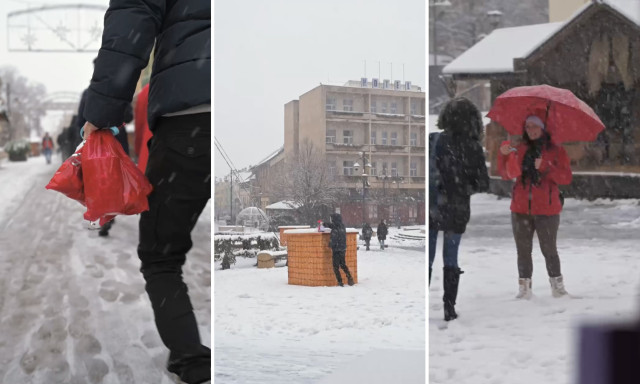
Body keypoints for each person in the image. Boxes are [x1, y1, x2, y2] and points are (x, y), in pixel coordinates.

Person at [80, 1, 211, 383]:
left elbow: (130, 29)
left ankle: (191, 360)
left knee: (161, 257)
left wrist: (100, 116)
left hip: (188, 121)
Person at [498, 115, 572, 300]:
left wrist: (545, 166)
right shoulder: (519, 148)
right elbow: (506, 174)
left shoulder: (556, 150)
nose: (531, 130)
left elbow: (566, 178)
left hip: (547, 209)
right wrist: (504, 155)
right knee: (523, 250)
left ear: (543, 128)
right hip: (520, 208)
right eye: (528, 126)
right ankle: (525, 288)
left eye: (535, 126)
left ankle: (558, 287)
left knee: (549, 250)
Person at [429, 97, 489, 321]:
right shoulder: (473, 147)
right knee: (450, 258)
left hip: (434, 207)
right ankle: (449, 306)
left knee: (429, 259)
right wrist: (462, 186)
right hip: (457, 209)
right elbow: (483, 183)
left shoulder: (434, 140)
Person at [323, 213, 354, 286]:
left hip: (336, 249)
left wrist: (323, 223)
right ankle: (350, 278)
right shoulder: (342, 225)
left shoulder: (334, 225)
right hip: (343, 248)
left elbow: (330, 227)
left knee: (335, 266)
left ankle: (340, 282)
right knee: (343, 264)